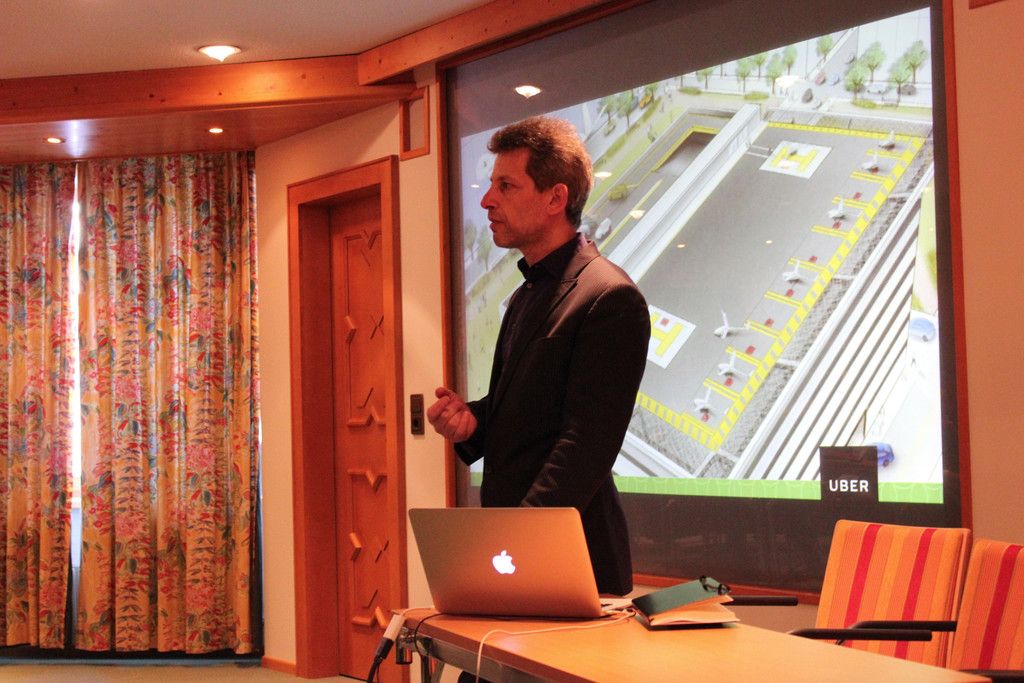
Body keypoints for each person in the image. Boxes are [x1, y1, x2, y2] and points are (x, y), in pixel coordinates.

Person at [428, 116, 650, 597]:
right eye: (492, 185)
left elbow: (584, 446)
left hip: (569, 560)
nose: (487, 201)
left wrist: (518, 544)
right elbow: (530, 409)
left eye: (506, 186)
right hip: (520, 554)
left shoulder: (609, 296)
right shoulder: (526, 293)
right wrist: (474, 422)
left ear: (555, 198)